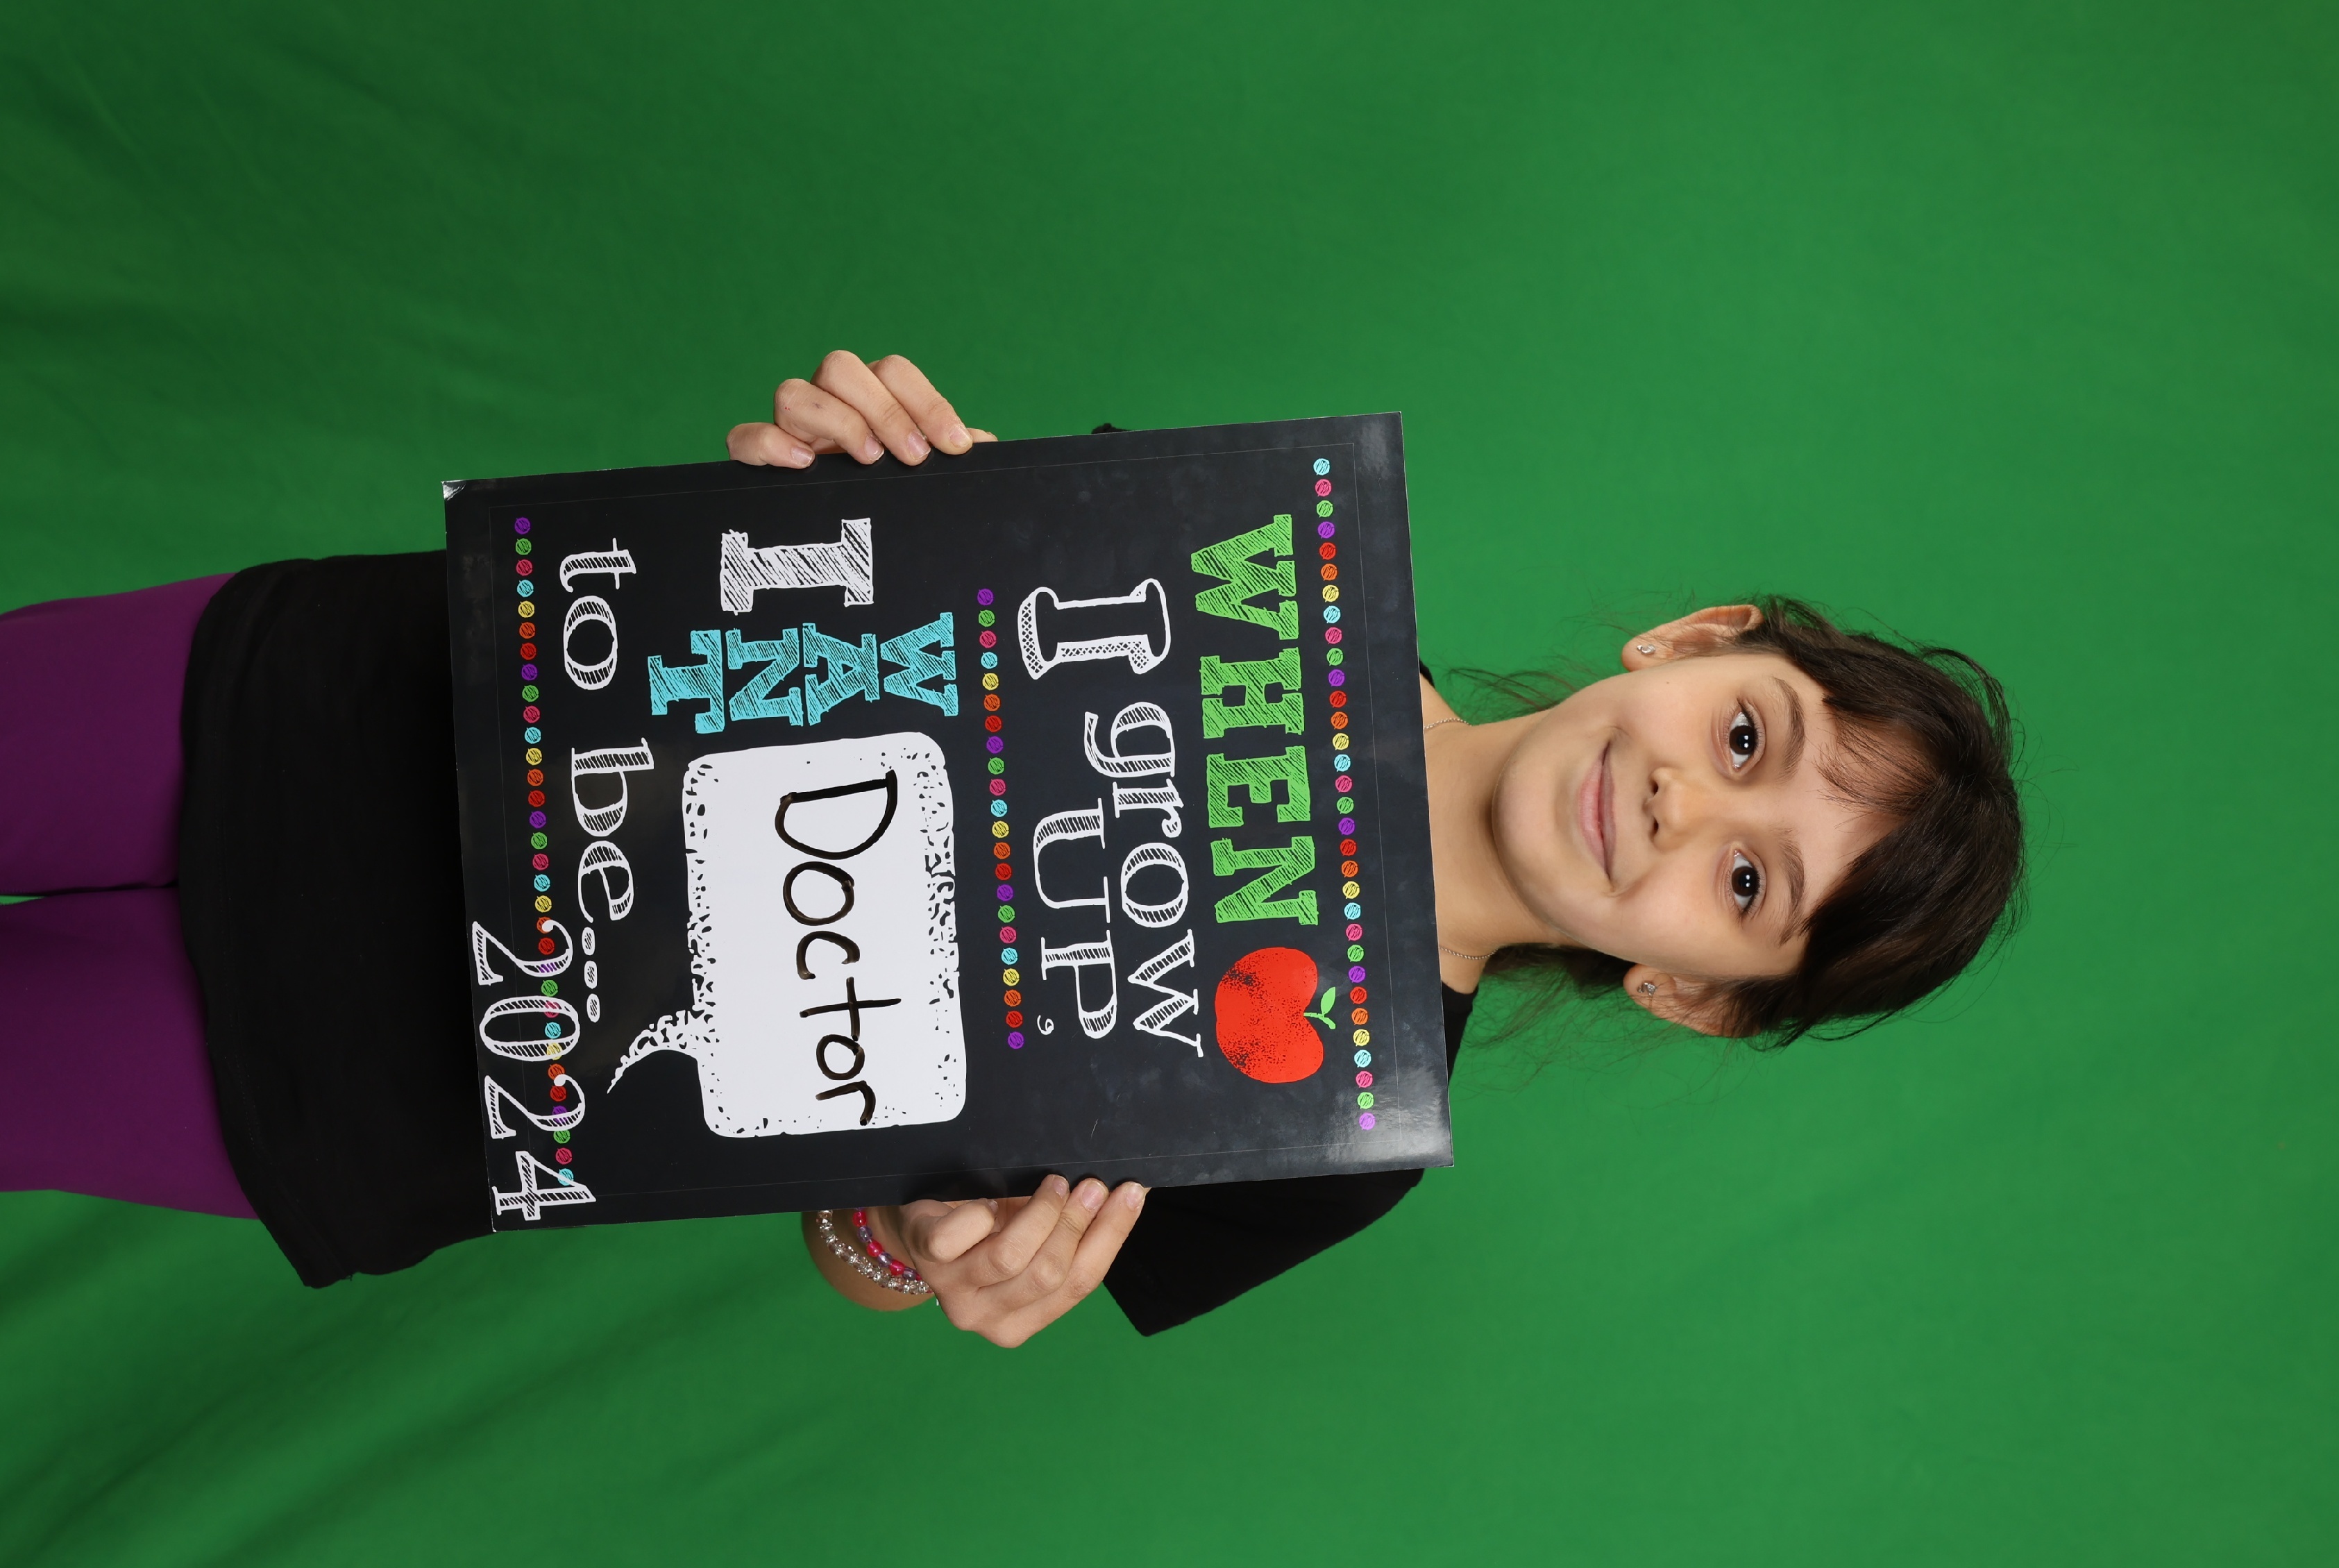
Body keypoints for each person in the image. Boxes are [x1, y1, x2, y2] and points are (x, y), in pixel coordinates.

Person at [0, 352, 2024, 1348]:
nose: (1684, 809)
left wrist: (928, 1254)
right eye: (1746, 741)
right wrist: (819, 490)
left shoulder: (1334, 1139)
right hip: (359, 702)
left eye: (1746, 887)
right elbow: (804, 582)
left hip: (386, 1082)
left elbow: (850, 1225)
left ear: (1689, 991)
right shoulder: (1250, 540)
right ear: (1692, 643)